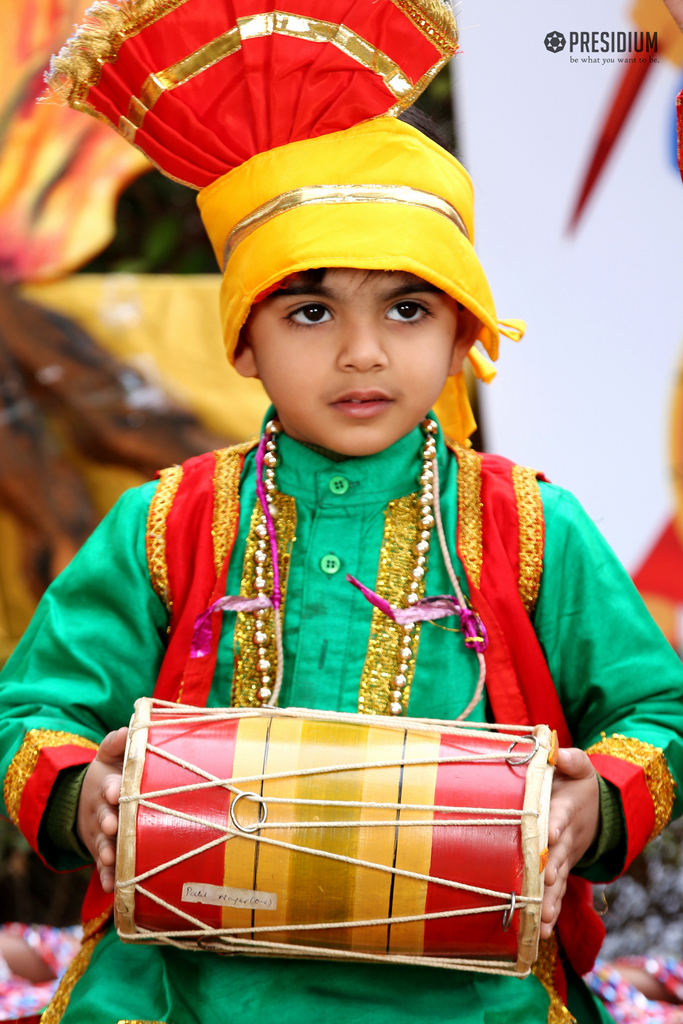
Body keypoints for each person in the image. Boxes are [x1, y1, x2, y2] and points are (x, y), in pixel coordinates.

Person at [2, 2, 683, 1022]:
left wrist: (591, 804)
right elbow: (33, 706)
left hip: (469, 996)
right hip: (197, 987)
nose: (361, 352)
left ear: (461, 337)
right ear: (243, 340)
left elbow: (655, 710)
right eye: (310, 310)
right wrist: (79, 793)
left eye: (406, 309)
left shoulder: (526, 525)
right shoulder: (170, 521)